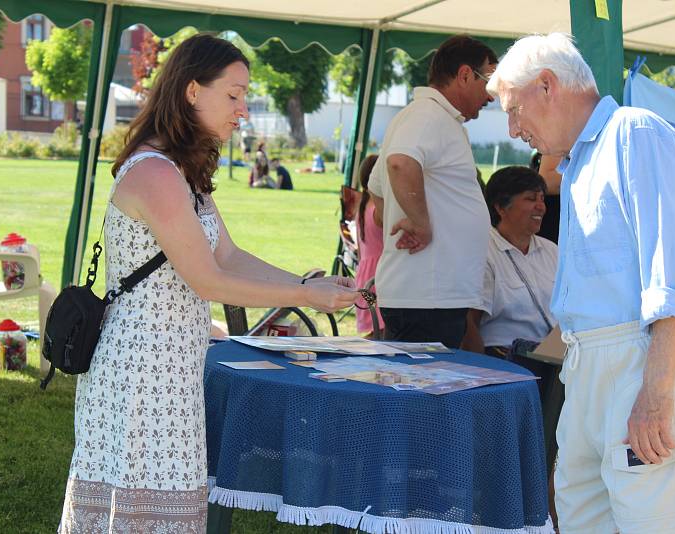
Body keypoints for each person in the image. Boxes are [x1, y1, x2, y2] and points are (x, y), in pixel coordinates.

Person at [58, 34, 356, 533]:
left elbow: (229, 254)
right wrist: (304, 295)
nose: (243, 111)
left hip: (170, 369)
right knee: (140, 509)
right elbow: (209, 280)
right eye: (234, 95)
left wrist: (307, 280)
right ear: (193, 91)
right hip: (139, 373)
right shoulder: (155, 174)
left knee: (166, 508)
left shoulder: (182, 173)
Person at [488, 33, 675, 533]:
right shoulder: (582, 162)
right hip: (591, 367)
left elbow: (674, 277)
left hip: (645, 360)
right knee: (584, 517)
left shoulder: (635, 134)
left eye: (515, 110)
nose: (515, 130)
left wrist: (656, 391)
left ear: (546, 85)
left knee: (664, 519)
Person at [368, 34, 497, 349]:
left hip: (432, 295)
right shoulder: (428, 114)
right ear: (465, 75)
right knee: (420, 394)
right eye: (490, 81)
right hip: (426, 297)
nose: (492, 95)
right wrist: (420, 223)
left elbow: (376, 188)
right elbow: (399, 164)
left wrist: (405, 220)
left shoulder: (431, 117)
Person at [461, 166, 557, 357]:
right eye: (531, 199)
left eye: (542, 199)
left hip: (552, 356)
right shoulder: (482, 250)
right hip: (503, 357)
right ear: (501, 207)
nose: (541, 206)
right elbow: (469, 321)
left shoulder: (552, 251)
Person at [354, 154, 385, 337]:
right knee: (382, 331)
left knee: (375, 328)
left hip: (364, 277)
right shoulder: (378, 209)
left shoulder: (362, 207)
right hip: (379, 277)